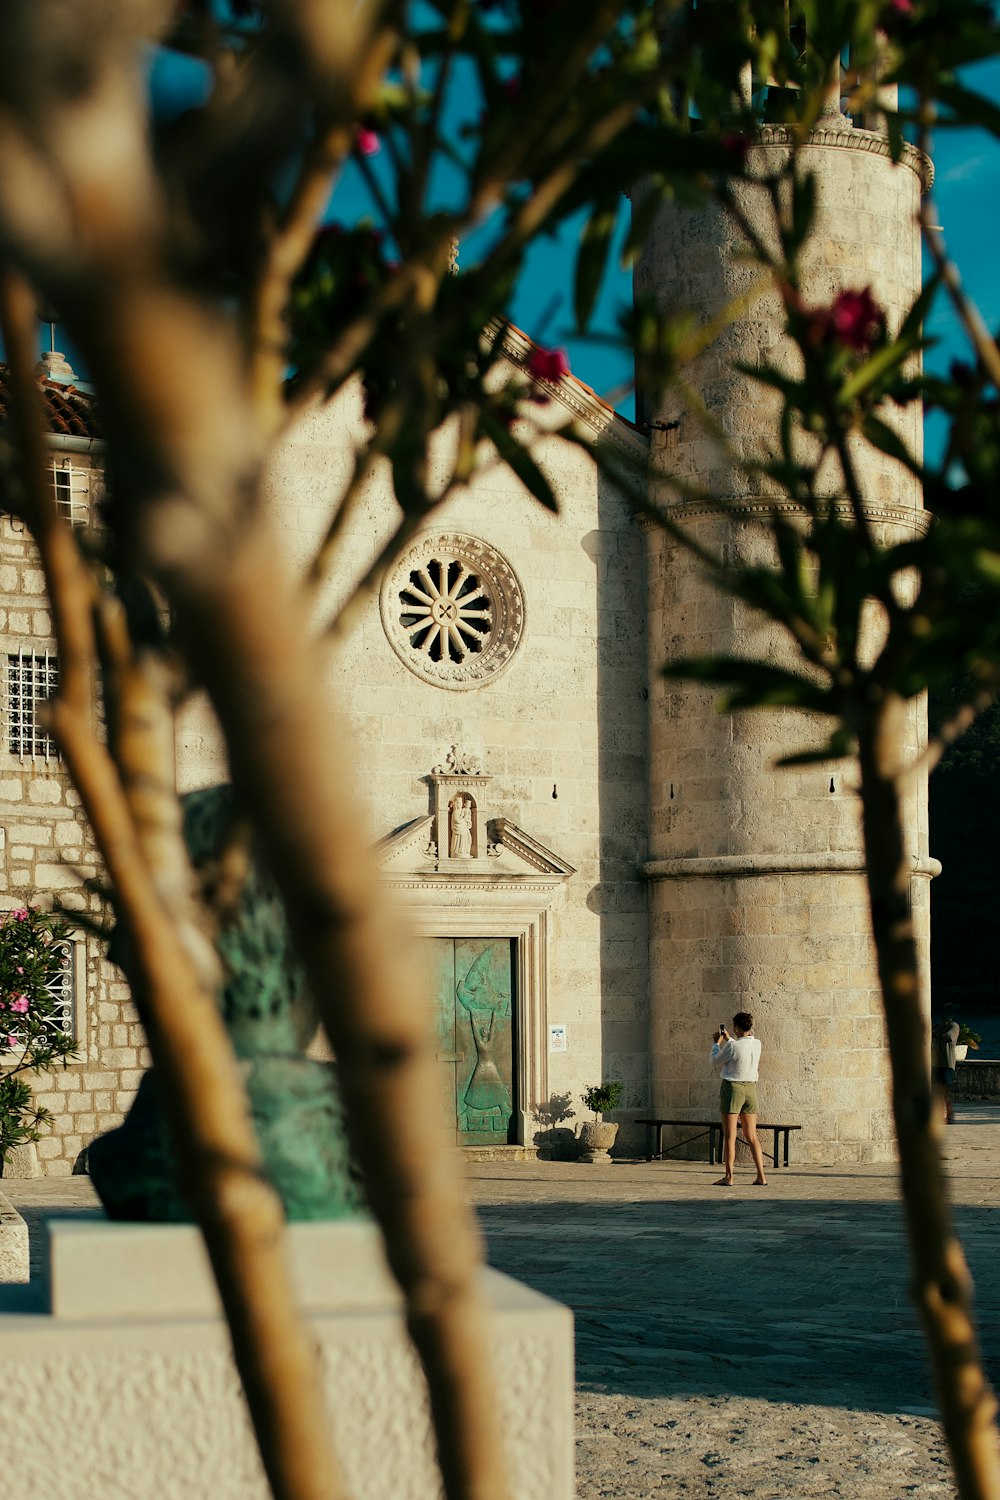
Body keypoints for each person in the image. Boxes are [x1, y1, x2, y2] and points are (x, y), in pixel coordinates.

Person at [710, 1011, 767, 1187]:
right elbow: (742, 1046)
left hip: (733, 1088)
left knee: (730, 1135)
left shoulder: (733, 1046)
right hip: (751, 1088)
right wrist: (731, 1040)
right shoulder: (757, 1043)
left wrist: (716, 1044)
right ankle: (761, 1176)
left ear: (735, 1027)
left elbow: (715, 1061)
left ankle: (729, 1176)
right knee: (752, 1136)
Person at [932, 1017, 961, 1125]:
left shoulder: (954, 1026)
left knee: (945, 1092)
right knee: (937, 1091)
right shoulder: (938, 1027)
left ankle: (949, 1115)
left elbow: (949, 1037)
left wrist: (939, 1033)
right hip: (936, 1064)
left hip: (947, 1064)